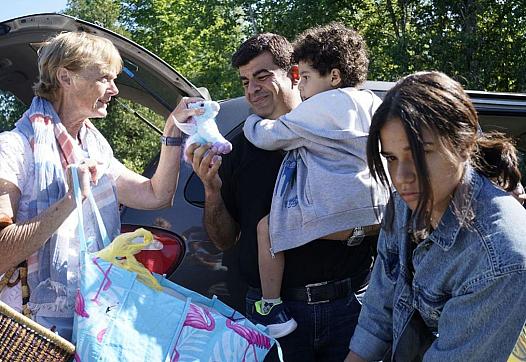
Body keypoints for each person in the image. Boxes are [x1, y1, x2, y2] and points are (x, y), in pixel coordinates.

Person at [186, 32, 378, 362]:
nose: (252, 89)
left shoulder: (339, 132)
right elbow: (224, 240)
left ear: (293, 74)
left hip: (352, 305)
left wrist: (356, 232)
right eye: (245, 81)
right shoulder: (240, 148)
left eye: (261, 77)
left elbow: (387, 201)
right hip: (272, 315)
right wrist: (212, 190)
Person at [0, 31, 203, 341]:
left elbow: (155, 195)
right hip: (34, 335)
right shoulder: (13, 149)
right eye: (105, 78)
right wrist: (71, 199)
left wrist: (172, 132)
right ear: (65, 77)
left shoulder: (95, 149)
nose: (114, 90)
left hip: (95, 323)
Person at [344, 71, 526, 362]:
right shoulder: (405, 203)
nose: (402, 177)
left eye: (419, 153)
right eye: (390, 158)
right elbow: (378, 313)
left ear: (464, 145)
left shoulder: (499, 257)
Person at [241, 23, 387, 338]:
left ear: (334, 77)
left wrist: (251, 122)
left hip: (333, 207)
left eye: (305, 77)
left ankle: (271, 306)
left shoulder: (321, 106)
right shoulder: (374, 102)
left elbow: (272, 136)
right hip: (376, 208)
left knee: (267, 229)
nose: (301, 86)